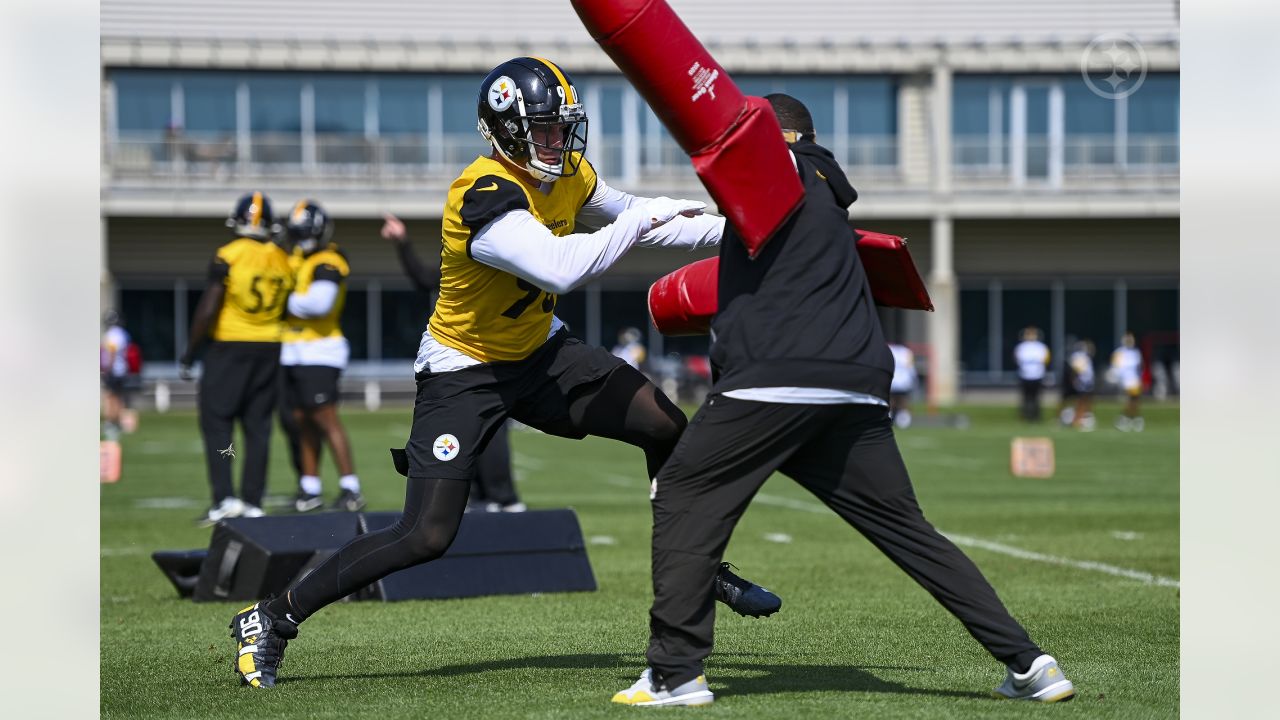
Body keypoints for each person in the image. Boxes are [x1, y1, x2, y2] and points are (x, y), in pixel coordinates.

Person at [227, 57, 778, 689]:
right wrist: (638, 220)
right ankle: (272, 617)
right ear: (504, 129)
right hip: (465, 368)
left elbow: (645, 216)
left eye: (560, 128)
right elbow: (563, 268)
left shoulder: (568, 172)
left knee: (662, 423)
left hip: (541, 353)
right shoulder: (482, 193)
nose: (556, 142)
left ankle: (696, 564)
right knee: (426, 533)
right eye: (542, 130)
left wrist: (743, 230)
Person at [612, 94, 1074, 707]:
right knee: (910, 531)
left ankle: (675, 673)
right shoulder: (826, 194)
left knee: (681, 490)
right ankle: (1031, 664)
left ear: (768, 138)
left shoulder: (776, 169)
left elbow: (720, 135)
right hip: (853, 388)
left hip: (773, 382)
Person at [382, 212, 525, 514]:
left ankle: (503, 496)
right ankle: (479, 495)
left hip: (487, 353)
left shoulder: (492, 259)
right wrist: (403, 242)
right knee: (465, 429)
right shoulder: (466, 260)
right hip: (464, 356)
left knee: (491, 428)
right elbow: (424, 279)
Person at [180, 192, 293, 525]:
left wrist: (190, 350)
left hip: (230, 346)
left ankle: (225, 499)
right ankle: (254, 502)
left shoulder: (228, 255)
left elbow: (209, 307)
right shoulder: (282, 258)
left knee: (218, 424)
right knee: (258, 427)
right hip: (270, 347)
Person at [279, 200, 365, 513]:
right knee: (300, 421)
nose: (301, 237)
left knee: (325, 418)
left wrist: (280, 300)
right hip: (293, 350)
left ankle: (350, 487)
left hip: (320, 350)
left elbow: (319, 304)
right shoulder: (297, 259)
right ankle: (310, 487)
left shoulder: (330, 259)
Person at [100, 310, 133, 442]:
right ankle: (117, 422)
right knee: (118, 397)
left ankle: (111, 422)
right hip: (121, 370)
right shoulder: (122, 334)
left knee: (110, 397)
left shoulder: (112, 335)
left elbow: (112, 352)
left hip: (114, 370)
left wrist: (107, 368)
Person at [1013, 326, 1050, 422]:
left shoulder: (1041, 347)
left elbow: (1045, 360)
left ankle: (1036, 416)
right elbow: (1017, 359)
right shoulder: (1021, 347)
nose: (1030, 336)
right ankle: (1025, 416)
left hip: (1037, 375)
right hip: (1025, 375)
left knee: (1036, 397)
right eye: (1028, 334)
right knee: (1026, 397)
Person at [1110, 331, 1144, 431]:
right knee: (1131, 400)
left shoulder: (1135, 352)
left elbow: (1139, 367)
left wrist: (1140, 378)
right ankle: (1128, 418)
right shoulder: (1119, 352)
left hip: (1134, 380)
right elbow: (1116, 367)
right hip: (1126, 380)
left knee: (1134, 400)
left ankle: (1130, 419)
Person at [1067, 340, 1097, 431]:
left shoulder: (1086, 357)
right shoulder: (1078, 356)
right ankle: (1077, 419)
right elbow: (1077, 369)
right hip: (1081, 382)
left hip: (1087, 382)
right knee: (1080, 401)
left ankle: (1083, 418)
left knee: (1086, 401)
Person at [887, 341, 916, 429]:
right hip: (903, 383)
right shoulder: (907, 352)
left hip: (891, 381)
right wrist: (914, 381)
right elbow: (911, 368)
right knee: (903, 404)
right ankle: (903, 423)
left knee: (890, 403)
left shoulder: (889, 349)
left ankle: (888, 422)